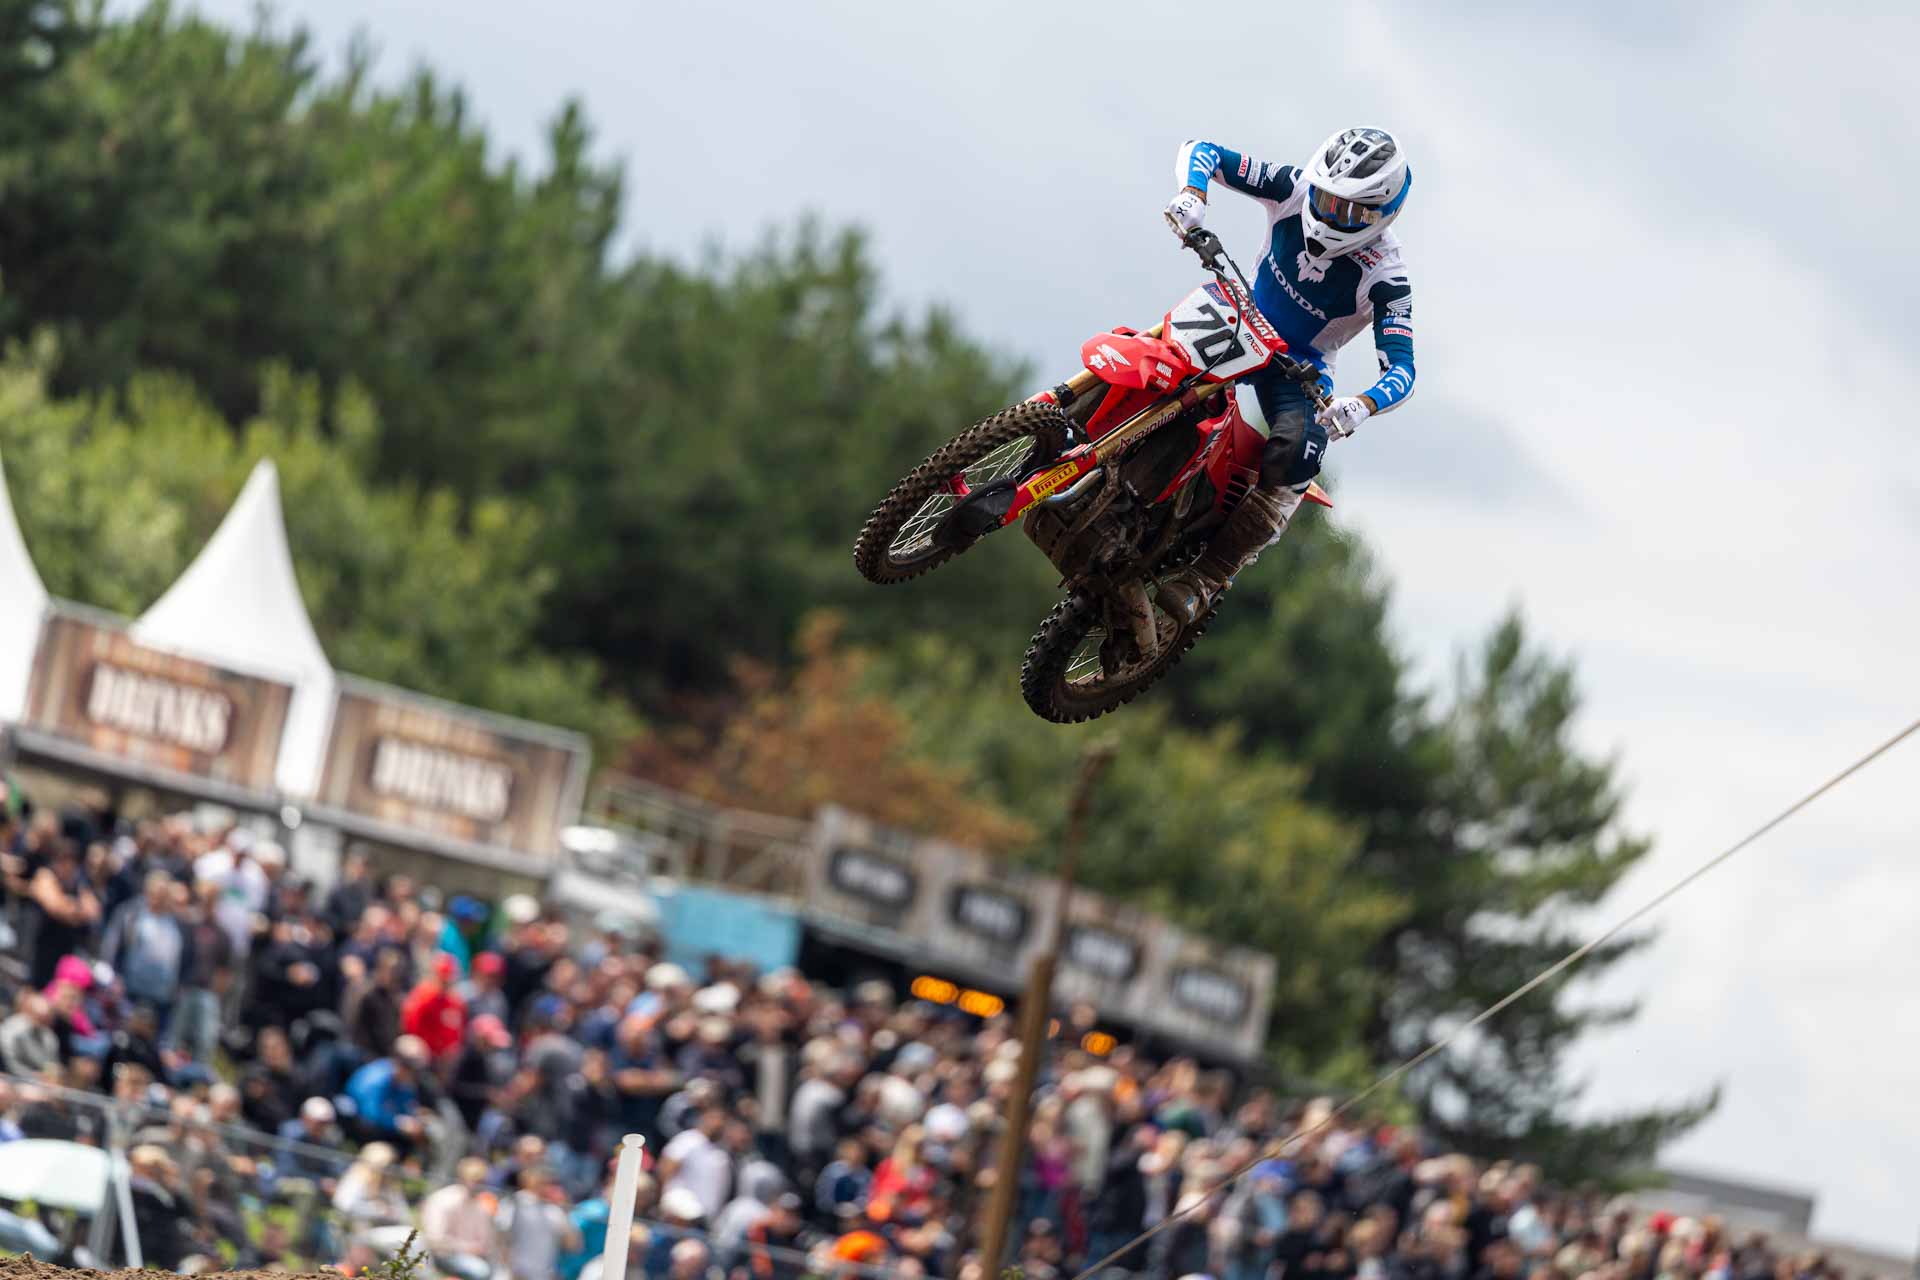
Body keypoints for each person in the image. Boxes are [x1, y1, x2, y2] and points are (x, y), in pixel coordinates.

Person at [1156, 127, 1416, 619]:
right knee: (1157, 359)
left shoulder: (1387, 274)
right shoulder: (1293, 187)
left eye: (1347, 210)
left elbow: (1402, 368)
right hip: (1238, 316)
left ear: (1380, 214)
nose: (1328, 213)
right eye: (1325, 197)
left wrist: (1362, 405)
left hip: (1298, 369)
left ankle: (1208, 576)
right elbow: (1203, 151)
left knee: (1300, 453)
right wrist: (1193, 194)